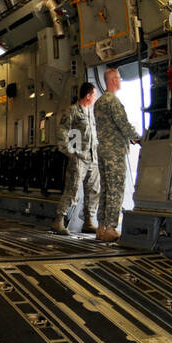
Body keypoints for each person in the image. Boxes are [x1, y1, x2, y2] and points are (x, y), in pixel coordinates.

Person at [93, 68, 141, 242]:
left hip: (103, 151)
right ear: (113, 81)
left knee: (105, 189)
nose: (120, 81)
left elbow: (109, 127)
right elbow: (123, 125)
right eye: (119, 78)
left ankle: (100, 227)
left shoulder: (98, 102)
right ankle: (111, 228)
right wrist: (139, 138)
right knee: (116, 190)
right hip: (114, 153)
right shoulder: (113, 101)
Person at [50, 83, 99, 236]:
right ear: (88, 95)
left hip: (93, 157)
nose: (96, 97)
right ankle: (59, 220)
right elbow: (63, 131)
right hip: (79, 158)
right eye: (94, 94)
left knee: (94, 190)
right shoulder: (72, 111)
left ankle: (89, 221)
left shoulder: (92, 112)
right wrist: (70, 152)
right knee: (73, 190)